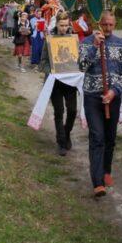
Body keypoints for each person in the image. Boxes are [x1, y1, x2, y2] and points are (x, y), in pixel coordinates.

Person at [78, 10, 122, 197]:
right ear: (99, 24)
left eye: (111, 25)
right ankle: (97, 181)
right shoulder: (86, 43)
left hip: (113, 98)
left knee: (110, 138)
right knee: (97, 136)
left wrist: (114, 91)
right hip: (92, 97)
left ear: (114, 25)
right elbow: (82, 66)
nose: (107, 28)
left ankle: (106, 169)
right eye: (104, 24)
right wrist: (94, 46)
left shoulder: (121, 45)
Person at [40, 12, 78, 156]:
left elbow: (77, 59)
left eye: (66, 25)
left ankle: (66, 132)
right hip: (55, 82)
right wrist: (52, 70)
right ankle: (61, 141)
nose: (63, 28)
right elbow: (42, 62)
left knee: (73, 110)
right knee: (59, 111)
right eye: (61, 25)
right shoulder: (49, 39)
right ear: (56, 24)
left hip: (70, 82)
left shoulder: (73, 39)